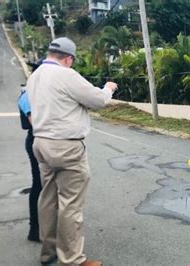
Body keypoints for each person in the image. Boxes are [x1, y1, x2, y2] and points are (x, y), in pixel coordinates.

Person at [26, 37, 118, 266]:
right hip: (65, 146)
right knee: (71, 204)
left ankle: (48, 252)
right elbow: (97, 100)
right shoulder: (66, 75)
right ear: (68, 59)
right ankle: (73, 260)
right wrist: (107, 89)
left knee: (48, 198)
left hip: (41, 143)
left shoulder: (35, 76)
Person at [18, 81, 41, 242]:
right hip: (37, 140)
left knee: (39, 185)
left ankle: (37, 228)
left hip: (34, 139)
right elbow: (35, 123)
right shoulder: (27, 95)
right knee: (39, 185)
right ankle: (35, 229)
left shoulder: (28, 92)